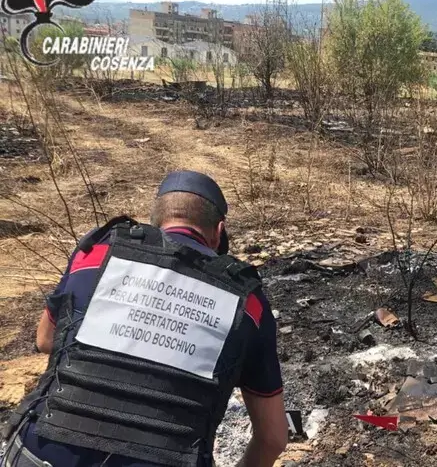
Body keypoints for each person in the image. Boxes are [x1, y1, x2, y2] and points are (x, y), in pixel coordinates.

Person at [0, 170, 288, 467]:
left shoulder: (95, 254)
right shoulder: (249, 304)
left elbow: (45, 339)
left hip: (37, 453)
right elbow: (273, 439)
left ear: (156, 222)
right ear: (218, 231)